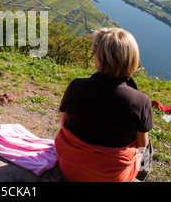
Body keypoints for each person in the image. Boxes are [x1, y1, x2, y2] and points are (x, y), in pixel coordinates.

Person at [55, 28, 153, 182]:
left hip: (71, 171)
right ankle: (141, 177)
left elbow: (64, 124)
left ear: (99, 58)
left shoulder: (76, 86)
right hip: (113, 178)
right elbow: (141, 147)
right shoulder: (141, 101)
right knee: (147, 143)